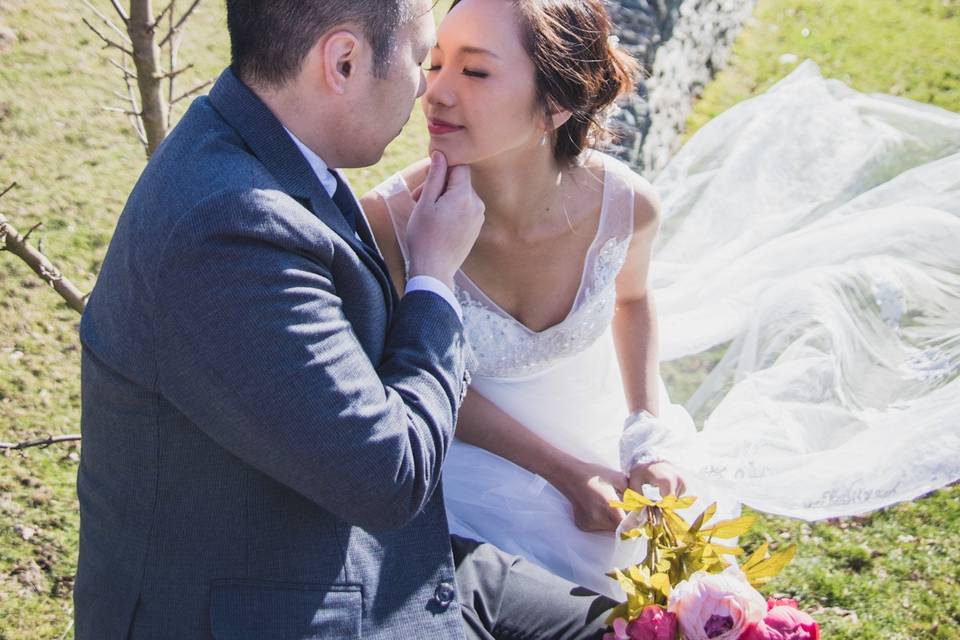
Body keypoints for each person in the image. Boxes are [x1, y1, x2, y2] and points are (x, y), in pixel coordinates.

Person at [364, 0, 960, 598]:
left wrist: (646, 433)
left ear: (557, 101)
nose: (434, 94)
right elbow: (419, 375)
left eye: (474, 72)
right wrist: (566, 474)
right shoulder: (389, 223)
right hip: (466, 470)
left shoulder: (624, 205)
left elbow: (632, 302)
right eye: (434, 63)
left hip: (594, 429)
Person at [75, 1, 618, 638]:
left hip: (387, 563)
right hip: (290, 606)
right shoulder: (231, 230)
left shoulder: (265, 147)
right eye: (422, 59)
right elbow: (389, 478)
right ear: (343, 62)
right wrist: (434, 276)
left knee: (633, 624)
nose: (426, 88)